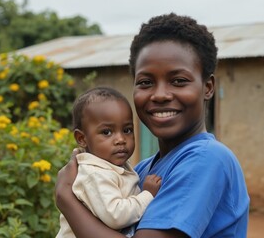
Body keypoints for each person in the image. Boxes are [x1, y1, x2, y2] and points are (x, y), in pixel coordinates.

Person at [55, 13, 250, 238]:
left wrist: (66, 200)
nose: (160, 95)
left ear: (207, 87)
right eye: (146, 82)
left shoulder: (207, 159)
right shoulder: (139, 171)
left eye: (178, 81)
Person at [56, 87, 162, 238]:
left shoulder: (113, 166)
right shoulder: (94, 173)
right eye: (107, 132)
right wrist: (148, 195)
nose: (120, 139)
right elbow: (116, 216)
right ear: (82, 139)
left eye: (127, 130)